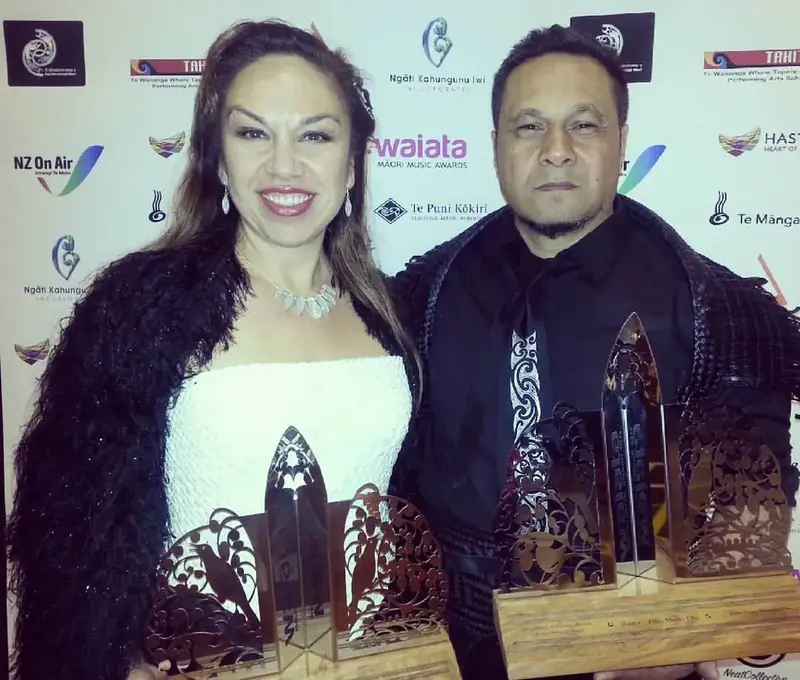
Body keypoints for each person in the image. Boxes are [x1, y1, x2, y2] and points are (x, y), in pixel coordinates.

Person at [6, 20, 419, 680]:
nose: (284, 165)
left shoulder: (394, 313)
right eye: (253, 133)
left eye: (315, 135)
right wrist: (118, 663)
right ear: (219, 159)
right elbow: (72, 533)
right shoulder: (141, 306)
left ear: (352, 162)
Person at [388, 24, 800, 680]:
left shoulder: (718, 309)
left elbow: (752, 491)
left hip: (631, 652)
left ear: (621, 141)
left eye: (583, 125)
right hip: (453, 649)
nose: (556, 150)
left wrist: (687, 635)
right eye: (529, 126)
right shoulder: (420, 295)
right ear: (495, 145)